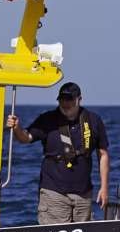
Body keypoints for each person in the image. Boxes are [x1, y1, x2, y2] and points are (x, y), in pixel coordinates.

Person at [7, 82, 110, 224]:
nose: (65, 103)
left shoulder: (93, 120)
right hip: (54, 193)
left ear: (79, 99)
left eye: (69, 100)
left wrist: (104, 188)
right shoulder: (47, 119)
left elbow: (103, 155)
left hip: (83, 195)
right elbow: (26, 138)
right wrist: (17, 128)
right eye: (62, 99)